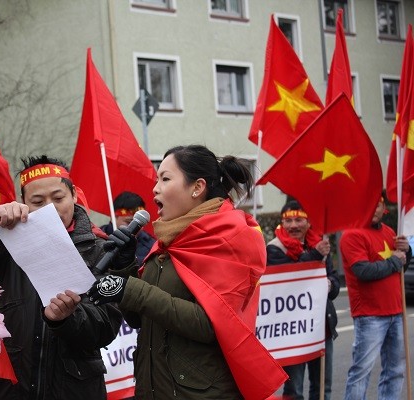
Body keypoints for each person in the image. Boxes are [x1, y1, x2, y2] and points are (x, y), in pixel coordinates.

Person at [88, 144, 286, 399]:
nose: (155, 188)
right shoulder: (169, 240)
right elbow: (139, 318)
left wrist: (131, 288)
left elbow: (211, 324)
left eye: (165, 179)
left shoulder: (230, 238)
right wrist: (125, 268)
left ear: (197, 187)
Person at [0, 155, 125, 400]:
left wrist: (66, 318)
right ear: (23, 203)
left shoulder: (100, 249)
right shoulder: (6, 240)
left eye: (58, 198)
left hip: (73, 388)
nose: (50, 208)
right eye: (37, 201)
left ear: (74, 196)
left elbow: (105, 328)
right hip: (3, 387)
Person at [267, 200, 340, 400]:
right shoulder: (274, 249)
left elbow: (333, 280)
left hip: (320, 328)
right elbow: (291, 278)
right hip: (292, 332)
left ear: (308, 223)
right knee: (294, 392)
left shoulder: (320, 244)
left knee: (323, 388)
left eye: (299, 219)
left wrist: (330, 285)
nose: (293, 226)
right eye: (287, 221)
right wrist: (316, 254)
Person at [340, 193, 411, 400]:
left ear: (383, 208)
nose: (373, 209)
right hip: (370, 315)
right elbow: (363, 272)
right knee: (361, 372)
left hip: (396, 312)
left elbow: (399, 268)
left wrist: (406, 253)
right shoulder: (352, 234)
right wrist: (396, 261)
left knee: (395, 371)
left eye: (377, 205)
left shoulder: (390, 232)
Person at [100, 191, 155, 264]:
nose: (135, 228)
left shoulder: (152, 247)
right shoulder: (96, 239)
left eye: (140, 224)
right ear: (113, 217)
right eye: (129, 222)